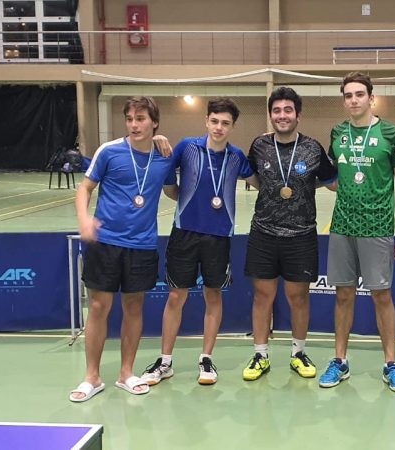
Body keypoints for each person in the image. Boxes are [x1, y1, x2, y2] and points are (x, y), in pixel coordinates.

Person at [140, 98, 257, 386]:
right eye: (214, 121)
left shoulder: (236, 157)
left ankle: (206, 359)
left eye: (225, 123)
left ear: (232, 126)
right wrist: (156, 139)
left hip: (219, 235)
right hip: (185, 232)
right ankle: (165, 361)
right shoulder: (187, 148)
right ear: (206, 120)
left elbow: (260, 181)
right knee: (176, 296)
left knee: (213, 295)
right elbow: (169, 184)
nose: (219, 127)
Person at [69, 96, 178, 402]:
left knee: (133, 308)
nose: (134, 125)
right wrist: (84, 219)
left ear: (154, 122)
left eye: (141, 119)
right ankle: (92, 377)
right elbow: (85, 188)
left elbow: (173, 191)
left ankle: (126, 373)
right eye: (129, 118)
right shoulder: (109, 151)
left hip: (141, 244)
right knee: (99, 307)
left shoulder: (164, 156)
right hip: (105, 242)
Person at [319, 72, 395, 393]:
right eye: (348, 95)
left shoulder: (391, 133)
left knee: (381, 295)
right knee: (343, 295)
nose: (354, 100)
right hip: (342, 226)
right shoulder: (337, 133)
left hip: (377, 227)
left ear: (371, 98)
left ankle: (391, 364)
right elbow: (334, 180)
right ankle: (340, 361)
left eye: (359, 94)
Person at [241, 87, 338, 381]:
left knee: (298, 297)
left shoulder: (312, 148)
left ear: (298, 115)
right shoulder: (259, 145)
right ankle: (260, 355)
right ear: (271, 115)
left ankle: (298, 353)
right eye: (277, 110)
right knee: (263, 296)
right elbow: (253, 178)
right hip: (264, 232)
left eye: (288, 110)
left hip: (301, 235)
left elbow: (333, 182)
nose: (282, 116)